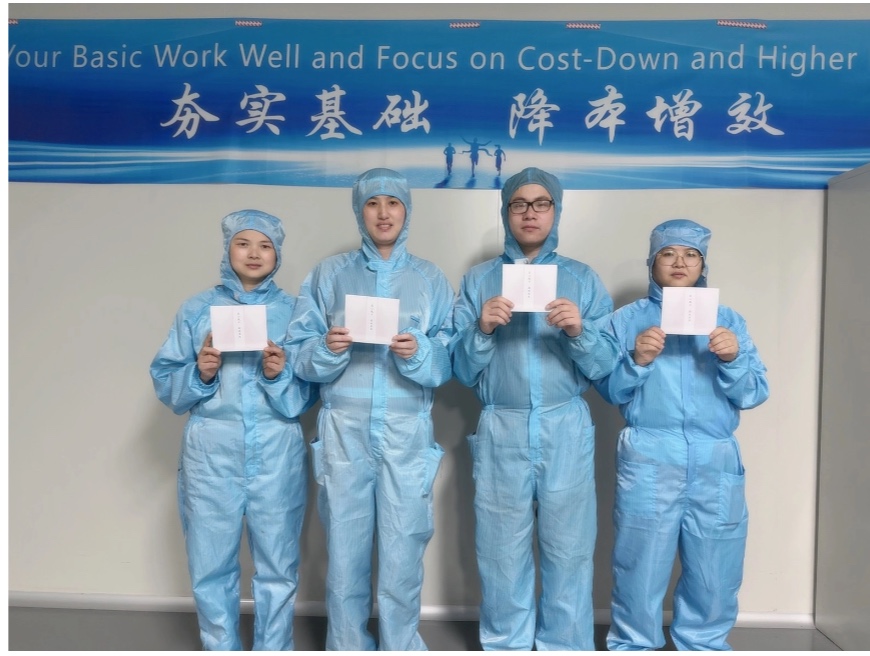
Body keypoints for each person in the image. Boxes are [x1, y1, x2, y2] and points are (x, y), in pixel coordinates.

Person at [451, 167, 620, 650]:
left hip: (564, 424)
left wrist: (579, 331)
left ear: (556, 210)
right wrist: (482, 329)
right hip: (501, 425)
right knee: (500, 549)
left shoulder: (582, 279)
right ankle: (506, 643)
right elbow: (460, 370)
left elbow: (606, 365)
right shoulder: (479, 280)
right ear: (506, 211)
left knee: (569, 548)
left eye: (541, 203)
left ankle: (565, 645)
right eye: (519, 204)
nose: (530, 213)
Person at [287, 168, 455, 650]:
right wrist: (327, 348)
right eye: (372, 203)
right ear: (359, 212)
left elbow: (449, 358)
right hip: (344, 430)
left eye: (393, 203)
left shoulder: (429, 279)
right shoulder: (329, 275)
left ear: (407, 211)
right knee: (345, 551)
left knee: (404, 548)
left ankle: (400, 645)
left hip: (406, 431)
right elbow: (299, 353)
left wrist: (419, 352)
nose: (383, 213)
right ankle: (347, 645)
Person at [593, 219, 770, 651]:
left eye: (691, 255)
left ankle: (703, 645)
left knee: (716, 567)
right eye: (668, 253)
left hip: (715, 458)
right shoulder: (626, 320)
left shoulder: (728, 321)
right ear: (651, 262)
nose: (679, 262)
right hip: (650, 455)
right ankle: (634, 645)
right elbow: (609, 389)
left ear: (703, 265)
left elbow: (754, 392)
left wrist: (732, 359)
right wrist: (637, 360)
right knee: (639, 564)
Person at [150, 210, 316, 651]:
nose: (254, 253)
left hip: (276, 448)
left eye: (265, 245)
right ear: (227, 250)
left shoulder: (295, 313)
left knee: (278, 563)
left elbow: (306, 396)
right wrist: (201, 373)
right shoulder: (197, 309)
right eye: (244, 243)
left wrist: (279, 375)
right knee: (211, 564)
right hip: (212, 451)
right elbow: (166, 381)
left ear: (278, 254)